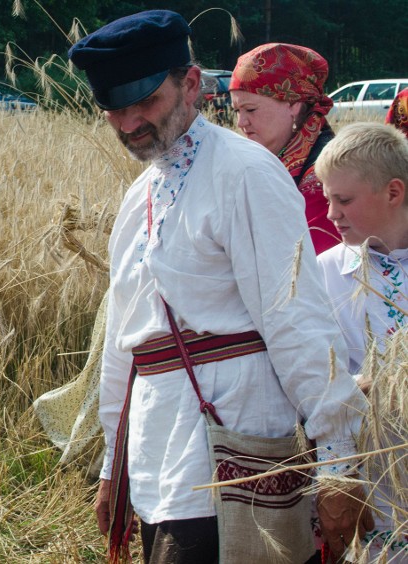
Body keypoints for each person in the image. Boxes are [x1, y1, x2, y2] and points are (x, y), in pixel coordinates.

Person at [68, 10, 370, 563]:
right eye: (115, 108)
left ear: (190, 85)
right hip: (157, 458)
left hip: (237, 449)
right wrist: (115, 463)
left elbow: (296, 317)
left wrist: (339, 458)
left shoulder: (245, 173)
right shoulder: (138, 201)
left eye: (146, 101)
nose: (131, 121)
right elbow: (123, 344)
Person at [315, 122, 408, 562]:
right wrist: (337, 477)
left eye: (344, 200)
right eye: (328, 198)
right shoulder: (324, 273)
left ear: (394, 192)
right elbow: (320, 378)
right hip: (376, 480)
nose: (331, 214)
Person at [229, 43, 341, 255]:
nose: (241, 122)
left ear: (293, 104)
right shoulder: (265, 160)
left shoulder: (326, 175)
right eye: (236, 110)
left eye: (250, 109)